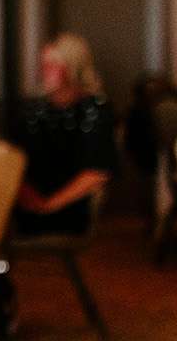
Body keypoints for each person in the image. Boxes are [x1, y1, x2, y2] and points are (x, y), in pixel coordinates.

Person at [13, 33, 117, 237]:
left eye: (52, 65)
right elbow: (15, 159)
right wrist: (25, 195)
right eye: (43, 65)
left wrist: (48, 205)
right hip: (24, 201)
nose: (44, 72)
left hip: (68, 208)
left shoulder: (96, 110)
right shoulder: (35, 110)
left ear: (73, 68)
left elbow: (97, 173)